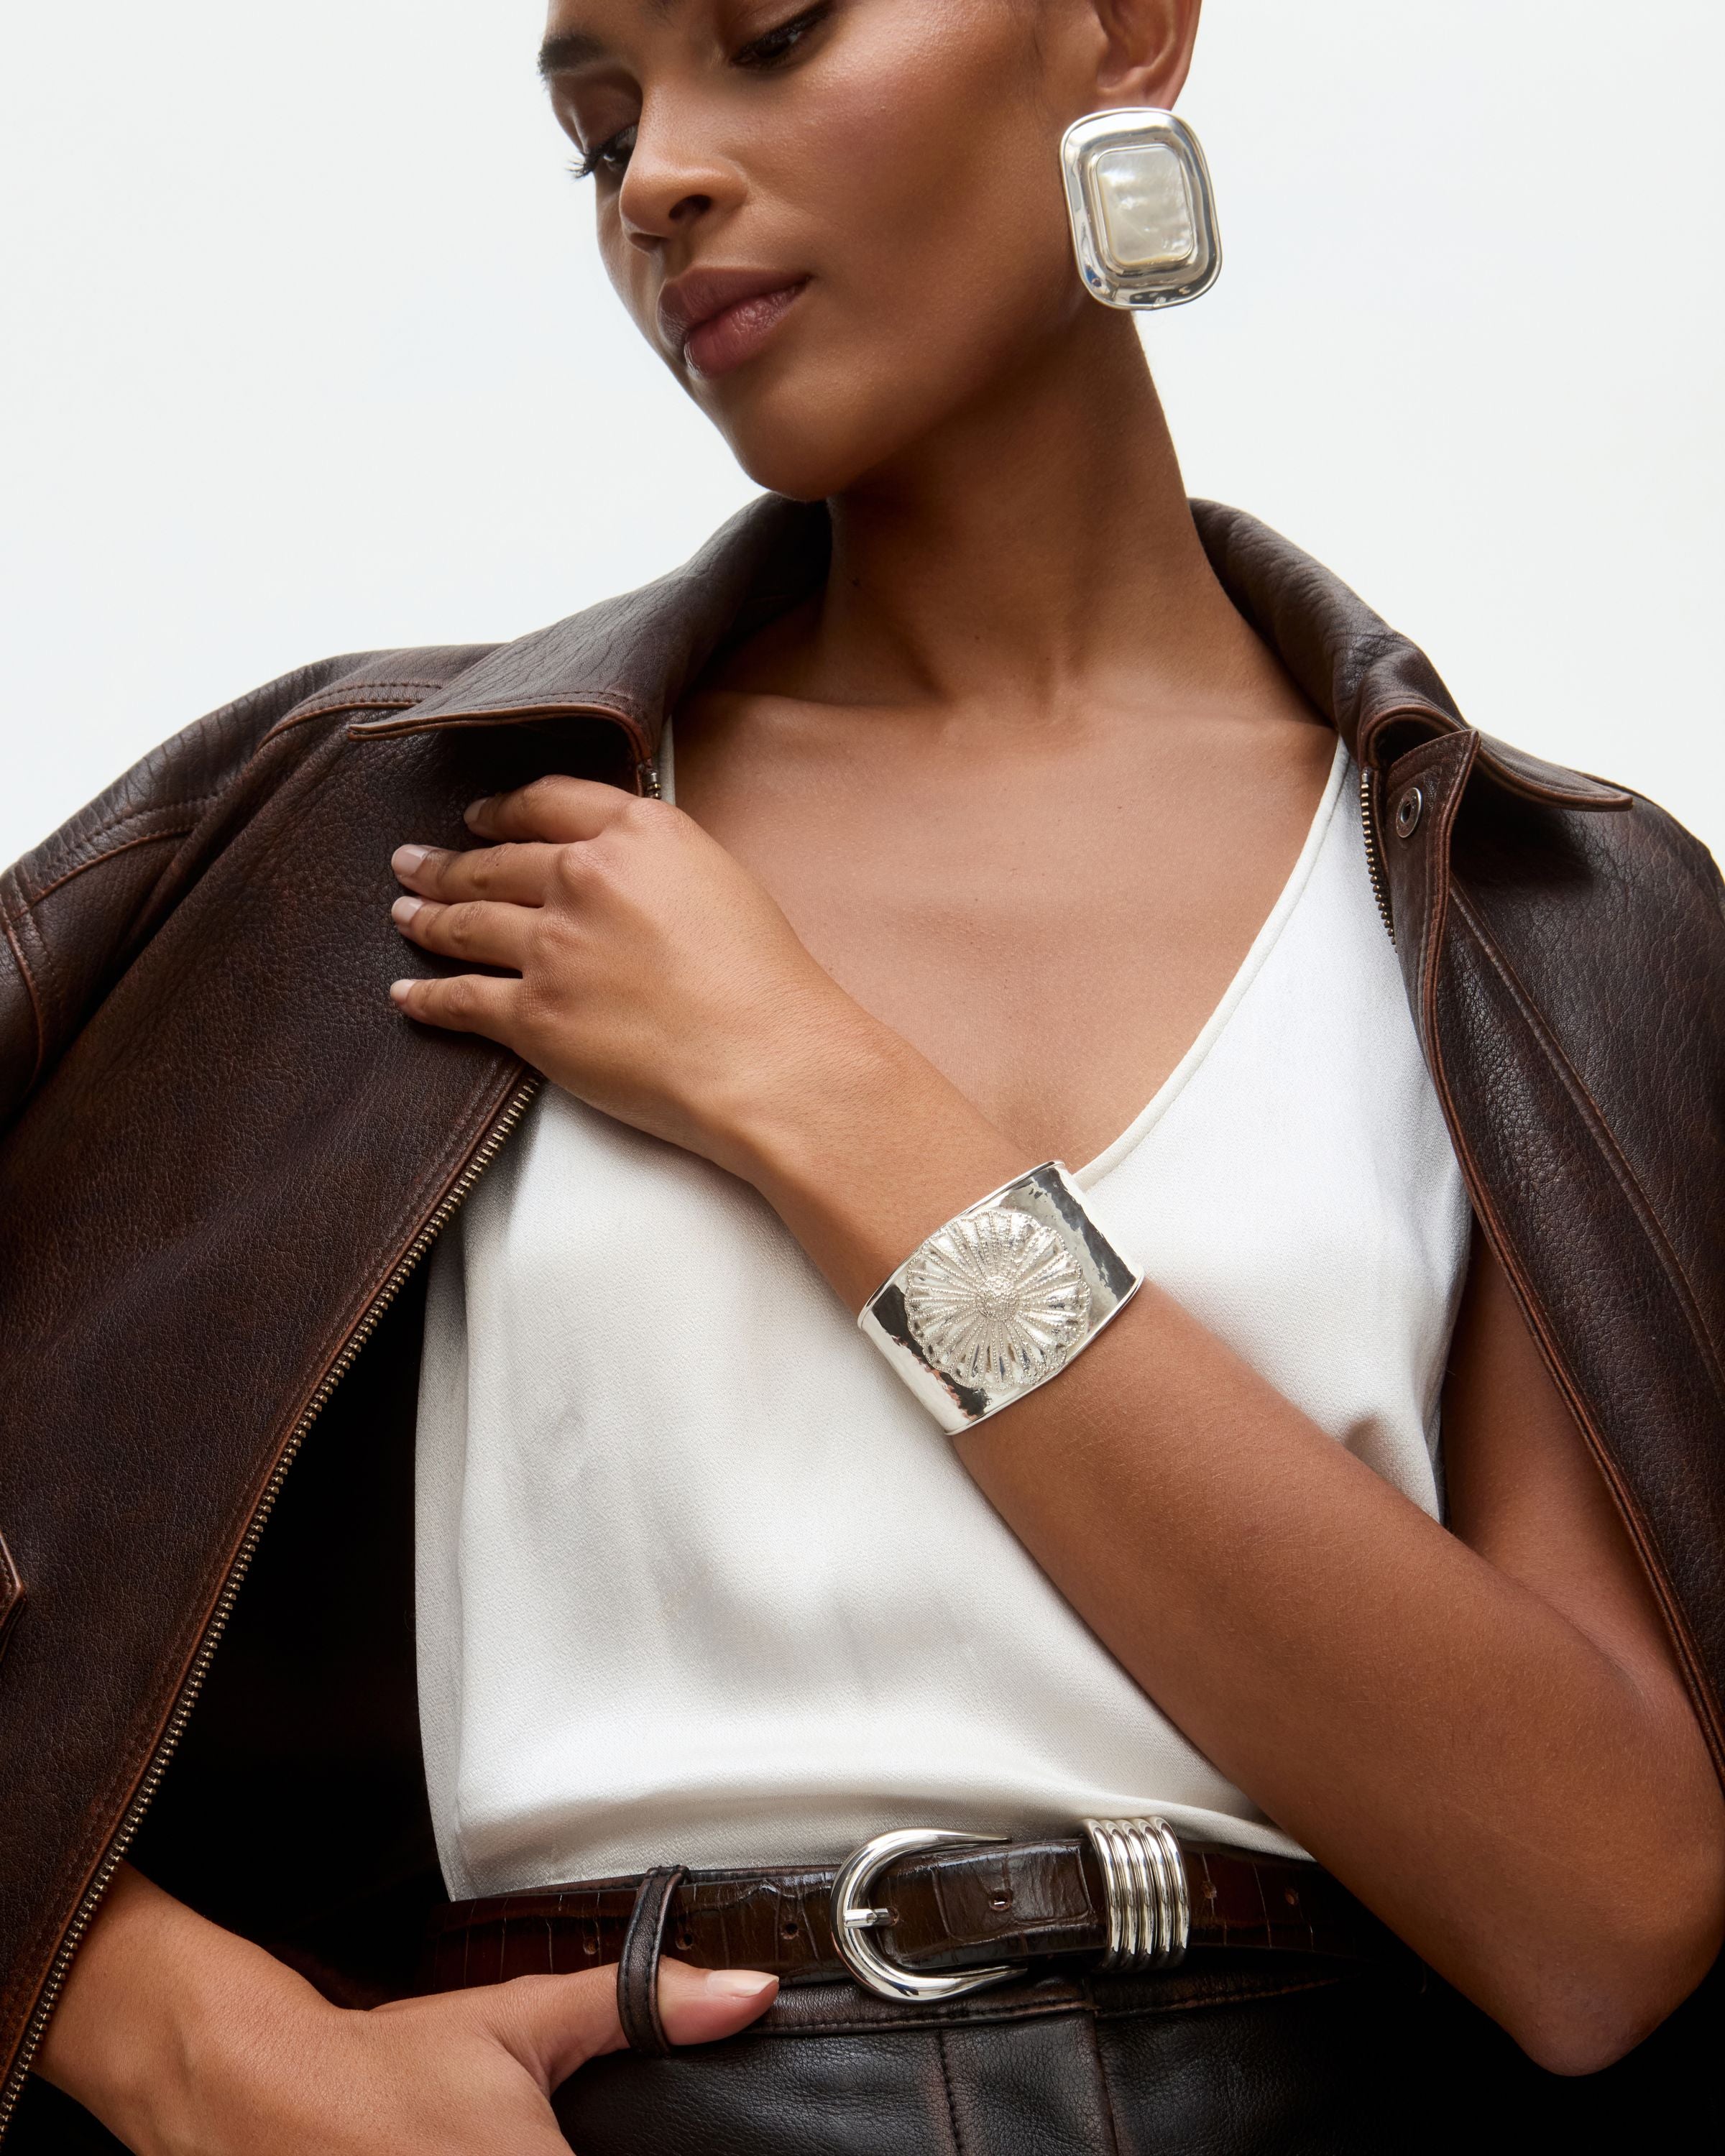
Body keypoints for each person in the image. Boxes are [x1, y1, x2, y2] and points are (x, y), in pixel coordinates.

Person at [3, 0, 1723, 2149]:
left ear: (1123, 31)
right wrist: (180, 2035)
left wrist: (820, 1092)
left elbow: (1599, 1913)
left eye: (774, 32)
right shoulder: (390, 846)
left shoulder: (1535, 915)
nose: (656, 179)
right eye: (598, 131)